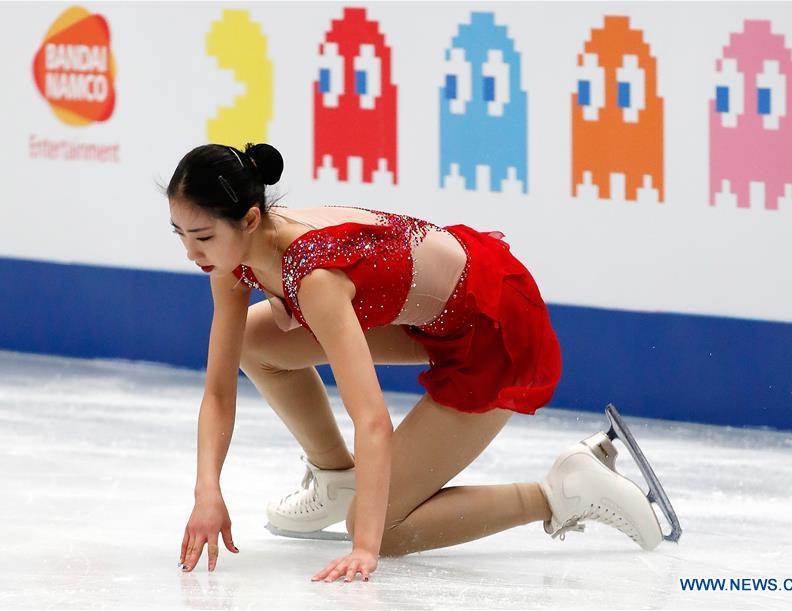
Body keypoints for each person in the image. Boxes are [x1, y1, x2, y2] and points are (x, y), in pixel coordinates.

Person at [169, 143, 666, 583]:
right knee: (254, 342)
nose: (191, 252)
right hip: (426, 316)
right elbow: (218, 390)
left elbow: (372, 419)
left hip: (491, 332)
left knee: (380, 527)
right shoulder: (235, 256)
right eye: (180, 234)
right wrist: (207, 490)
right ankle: (336, 477)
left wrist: (365, 547)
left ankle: (561, 491)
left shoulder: (315, 277)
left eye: (202, 237)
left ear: (249, 220)